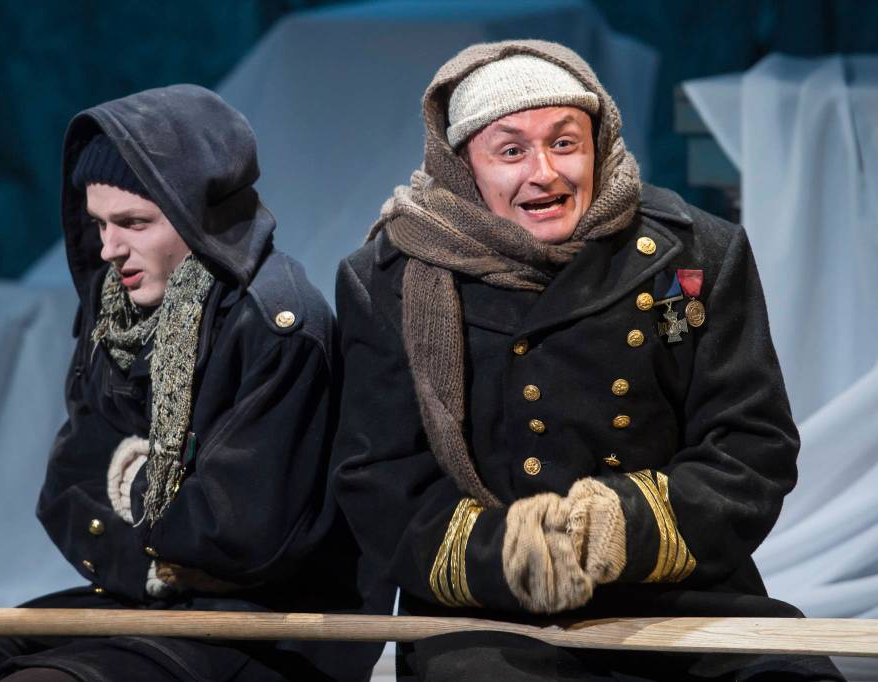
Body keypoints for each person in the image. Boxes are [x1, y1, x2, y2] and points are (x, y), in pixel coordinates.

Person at [333, 40, 845, 681]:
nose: (544, 172)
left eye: (565, 143)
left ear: (598, 145)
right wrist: (524, 554)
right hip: (490, 613)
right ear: (462, 165)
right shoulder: (390, 279)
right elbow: (380, 481)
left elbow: (751, 446)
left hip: (681, 591)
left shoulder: (696, 253)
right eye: (511, 151)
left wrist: (617, 526)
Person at [0, 84, 382, 681]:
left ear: (199, 215)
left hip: (264, 625)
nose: (109, 249)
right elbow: (66, 490)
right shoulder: (115, 311)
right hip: (139, 595)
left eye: (134, 223)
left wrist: (128, 478)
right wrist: (155, 537)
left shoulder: (278, 326)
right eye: (99, 223)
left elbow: (236, 537)